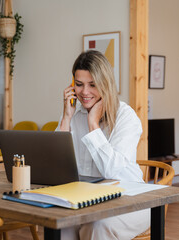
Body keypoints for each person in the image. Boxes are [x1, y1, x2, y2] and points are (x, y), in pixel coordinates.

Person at [57, 50, 150, 240]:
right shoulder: (73, 114)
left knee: (97, 225)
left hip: (130, 200)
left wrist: (93, 124)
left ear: (105, 84)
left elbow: (110, 170)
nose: (84, 92)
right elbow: (55, 166)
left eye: (92, 85)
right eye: (79, 84)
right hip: (85, 200)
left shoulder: (126, 116)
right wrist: (66, 117)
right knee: (61, 226)